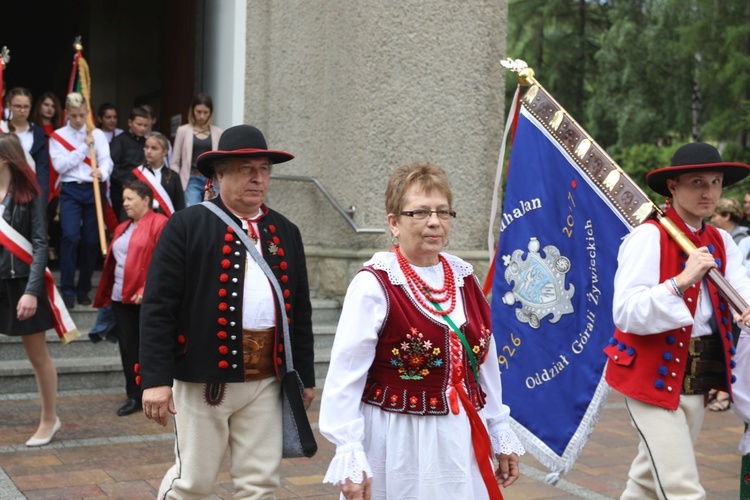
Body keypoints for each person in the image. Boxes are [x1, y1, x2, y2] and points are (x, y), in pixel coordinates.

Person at [319, 162, 524, 499]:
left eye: (443, 212)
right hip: (397, 437)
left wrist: (498, 427)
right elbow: (346, 375)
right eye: (420, 212)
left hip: (459, 436)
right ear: (393, 223)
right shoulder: (375, 284)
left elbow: (484, 362)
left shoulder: (464, 278)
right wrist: (350, 452)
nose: (434, 222)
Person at [139, 124, 315, 498]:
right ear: (219, 175)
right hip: (204, 379)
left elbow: (299, 311)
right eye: (246, 169)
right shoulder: (187, 225)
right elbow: (159, 307)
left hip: (268, 378)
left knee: (261, 483)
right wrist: (156, 379)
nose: (257, 178)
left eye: (264, 169)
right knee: (193, 482)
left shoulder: (286, 231)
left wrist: (305, 376)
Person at [604, 142, 750, 499]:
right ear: (673, 186)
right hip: (651, 379)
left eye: (716, 183)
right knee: (683, 489)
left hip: (698, 380)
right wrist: (681, 281)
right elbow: (625, 311)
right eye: (698, 182)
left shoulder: (721, 241)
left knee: (644, 484)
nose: (709, 192)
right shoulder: (648, 237)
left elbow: (742, 292)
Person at [0, 133, 59, 446]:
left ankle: (49, 419)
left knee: (37, 356)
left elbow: (39, 244)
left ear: (5, 159)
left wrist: (32, 291)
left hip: (22, 282)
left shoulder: (30, 194)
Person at [94, 180, 168, 416]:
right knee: (128, 349)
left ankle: (154, 391)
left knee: (147, 348)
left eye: (129, 199)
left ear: (146, 200)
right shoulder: (123, 227)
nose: (124, 203)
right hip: (120, 297)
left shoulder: (160, 223)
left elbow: (164, 262)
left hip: (147, 299)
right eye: (123, 199)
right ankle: (134, 395)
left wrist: (147, 287)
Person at [48, 92, 112, 309]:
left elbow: (106, 161)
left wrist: (102, 172)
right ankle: (67, 289)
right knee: (70, 237)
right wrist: (84, 148)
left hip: (93, 189)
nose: (78, 120)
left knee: (91, 240)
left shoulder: (98, 135)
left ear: (87, 113)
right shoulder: (58, 136)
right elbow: (60, 166)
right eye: (74, 115)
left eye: (82, 115)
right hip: (71, 191)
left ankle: (83, 289)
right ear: (67, 113)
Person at [1, 88, 51, 210]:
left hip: (28, 194)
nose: (22, 110)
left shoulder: (38, 133)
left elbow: (42, 169)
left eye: (26, 107)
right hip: (3, 191)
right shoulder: (1, 129)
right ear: (9, 105)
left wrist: (41, 199)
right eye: (18, 106)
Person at [170, 93, 222, 207]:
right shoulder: (183, 130)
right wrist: (178, 182)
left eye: (205, 112)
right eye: (198, 112)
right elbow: (175, 161)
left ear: (211, 112)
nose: (202, 116)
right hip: (190, 179)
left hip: (212, 179)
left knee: (214, 212)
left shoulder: (217, 132)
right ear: (192, 111)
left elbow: (220, 159)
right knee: (192, 211)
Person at [109, 106, 150, 221]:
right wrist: (127, 182)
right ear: (130, 122)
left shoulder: (147, 143)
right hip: (121, 190)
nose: (142, 128)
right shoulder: (119, 141)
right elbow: (112, 166)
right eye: (139, 124)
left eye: (145, 125)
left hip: (142, 190)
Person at [133, 134, 184, 216]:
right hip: (143, 222)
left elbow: (179, 206)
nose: (148, 151)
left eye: (154, 148)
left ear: (164, 152)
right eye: (146, 147)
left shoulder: (174, 176)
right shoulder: (137, 174)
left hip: (166, 222)